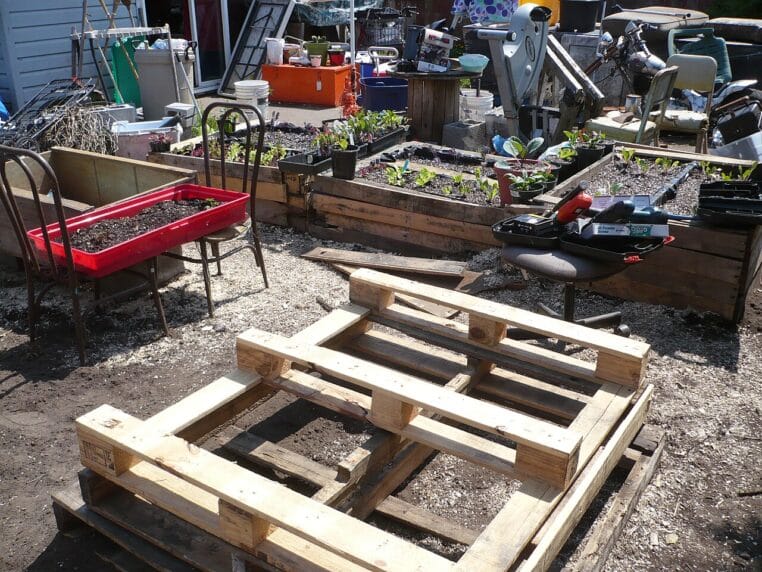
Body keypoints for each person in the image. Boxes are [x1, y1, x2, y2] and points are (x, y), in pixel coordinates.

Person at [451, 0, 518, 26]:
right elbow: (516, 8)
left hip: (480, 23)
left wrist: (459, 11)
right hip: (504, 24)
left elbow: (459, 9)